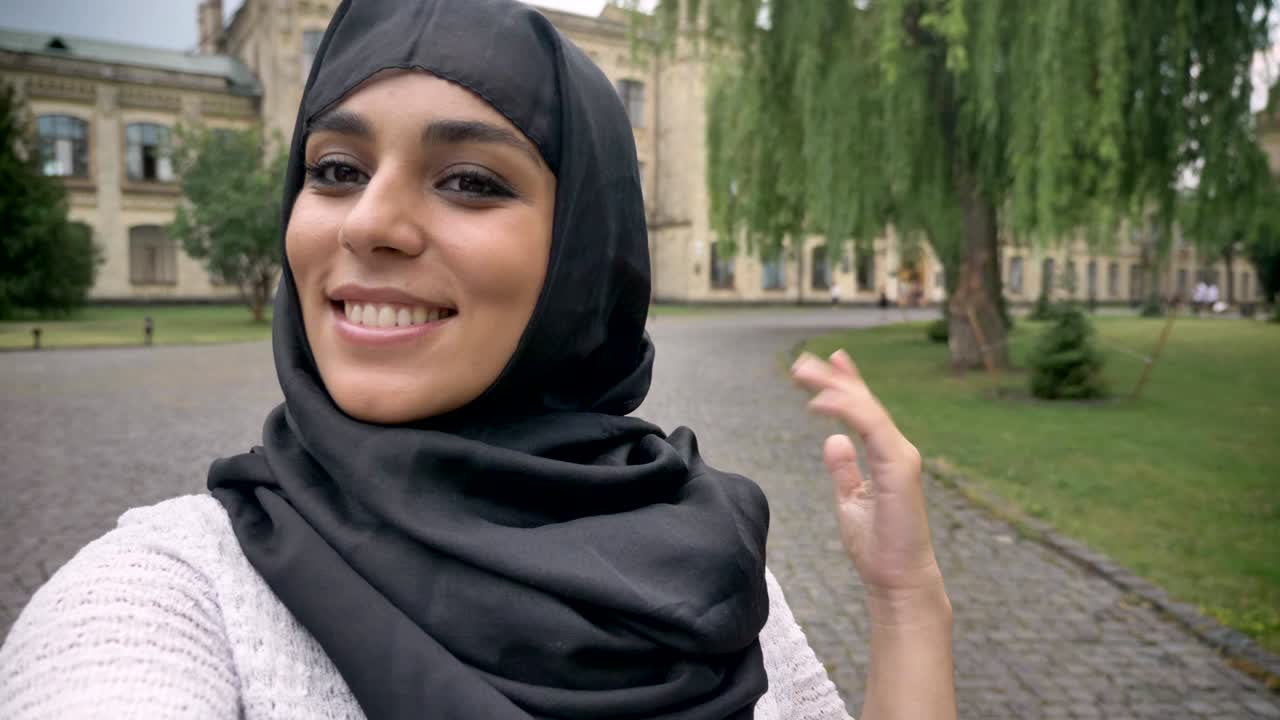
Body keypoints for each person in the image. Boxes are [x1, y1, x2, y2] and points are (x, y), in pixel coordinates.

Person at [0, 1, 956, 718]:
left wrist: (908, 604)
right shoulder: (169, 591)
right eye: (334, 169)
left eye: (469, 180)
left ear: (583, 251)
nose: (369, 222)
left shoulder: (707, 558)